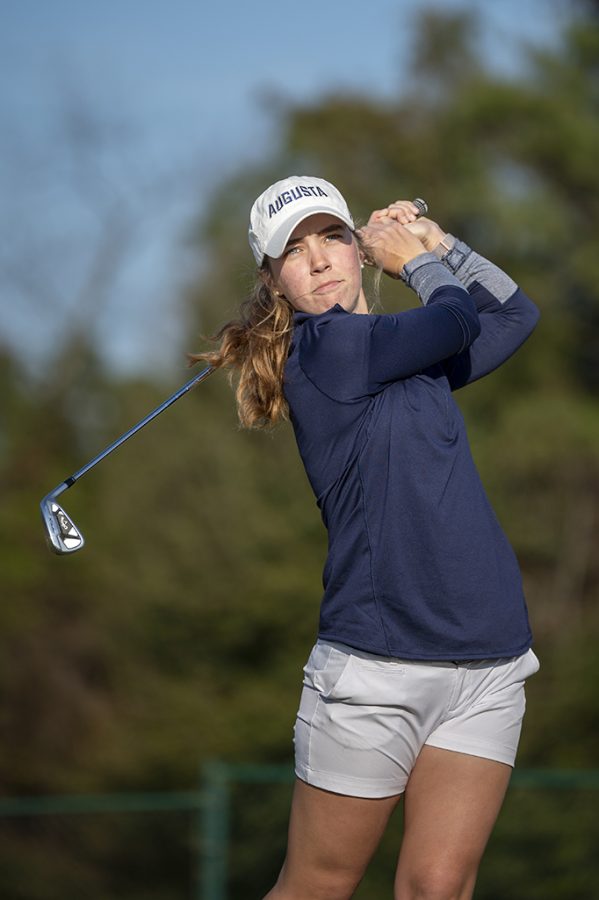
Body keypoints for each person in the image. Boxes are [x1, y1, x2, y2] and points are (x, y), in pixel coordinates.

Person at [195, 175, 540, 900]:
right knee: (317, 886)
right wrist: (414, 258)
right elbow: (453, 319)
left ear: (353, 249)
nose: (318, 259)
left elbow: (511, 311)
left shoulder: (407, 361)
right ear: (274, 283)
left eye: (332, 236)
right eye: (294, 251)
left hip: (487, 658)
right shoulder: (326, 354)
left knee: (437, 886)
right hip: (376, 669)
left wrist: (439, 240)